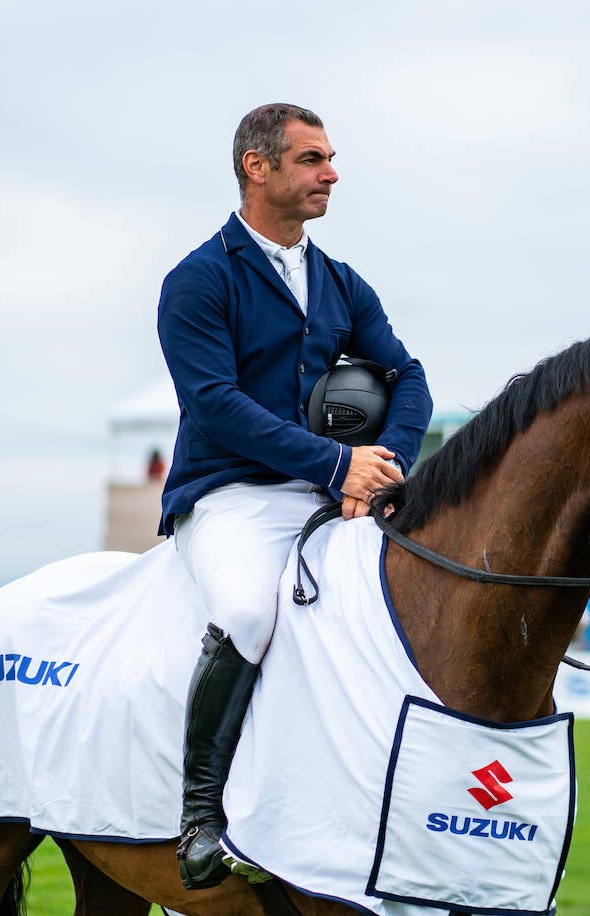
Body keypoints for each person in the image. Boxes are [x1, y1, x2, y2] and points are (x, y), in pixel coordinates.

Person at [156, 103, 433, 890]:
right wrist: (336, 465)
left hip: (328, 493)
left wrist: (385, 469)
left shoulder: (341, 282)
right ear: (258, 166)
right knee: (247, 610)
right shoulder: (199, 278)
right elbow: (214, 403)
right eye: (313, 159)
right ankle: (200, 820)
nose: (332, 173)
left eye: (331, 158)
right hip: (228, 494)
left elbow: (406, 376)